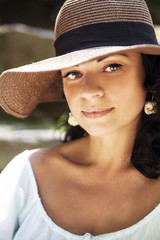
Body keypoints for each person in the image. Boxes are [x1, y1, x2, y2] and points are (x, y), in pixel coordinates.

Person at [0, 0, 160, 239]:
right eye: (73, 73)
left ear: (149, 75)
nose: (87, 91)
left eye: (112, 66)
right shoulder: (26, 175)